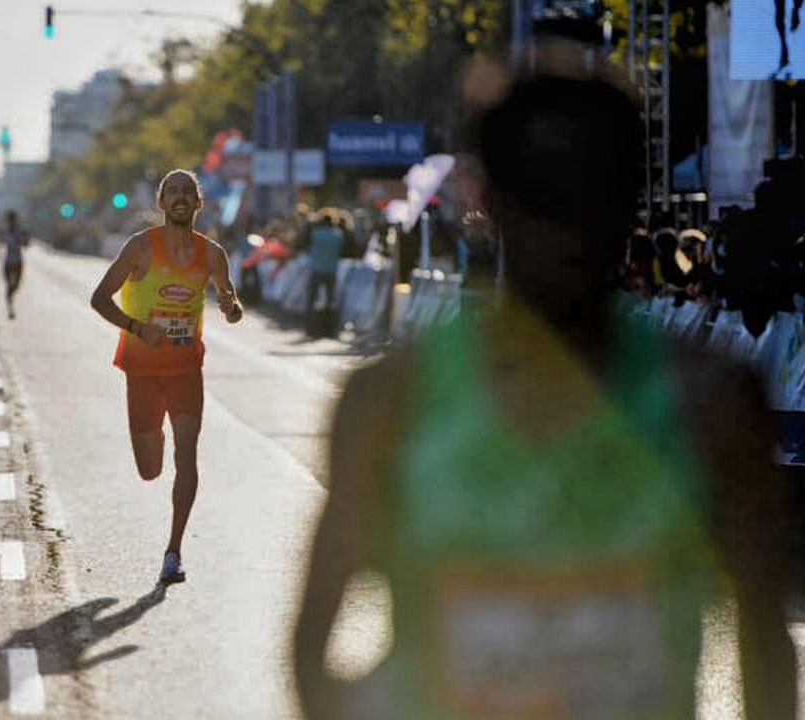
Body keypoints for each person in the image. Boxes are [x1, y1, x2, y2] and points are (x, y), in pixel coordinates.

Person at [294, 72, 797, 719]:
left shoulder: (715, 402)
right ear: (489, 201)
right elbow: (313, 641)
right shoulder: (392, 397)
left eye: (595, 194)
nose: (569, 232)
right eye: (543, 198)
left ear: (631, 203)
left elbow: (764, 646)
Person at [90, 169, 244, 585]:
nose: (179, 197)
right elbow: (98, 299)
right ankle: (152, 434)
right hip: (141, 370)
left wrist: (231, 309)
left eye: (186, 191)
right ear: (160, 203)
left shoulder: (212, 254)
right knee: (149, 469)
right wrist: (139, 328)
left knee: (187, 456)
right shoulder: (140, 248)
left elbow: (231, 305)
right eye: (171, 191)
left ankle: (173, 552)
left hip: (185, 370)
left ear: (199, 202)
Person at [306, 210, 345, 335]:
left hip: (316, 268)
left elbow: (309, 247)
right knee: (330, 300)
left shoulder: (316, 233)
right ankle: (328, 328)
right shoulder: (338, 234)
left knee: (312, 298)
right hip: (331, 270)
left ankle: (310, 325)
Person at [0, 210, 29, 319]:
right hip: (8, 261)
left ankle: (10, 299)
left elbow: (26, 244)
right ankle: (10, 307)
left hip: (17, 261)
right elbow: (1, 241)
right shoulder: (5, 231)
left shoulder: (20, 231)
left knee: (16, 285)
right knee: (9, 285)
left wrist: (22, 239)